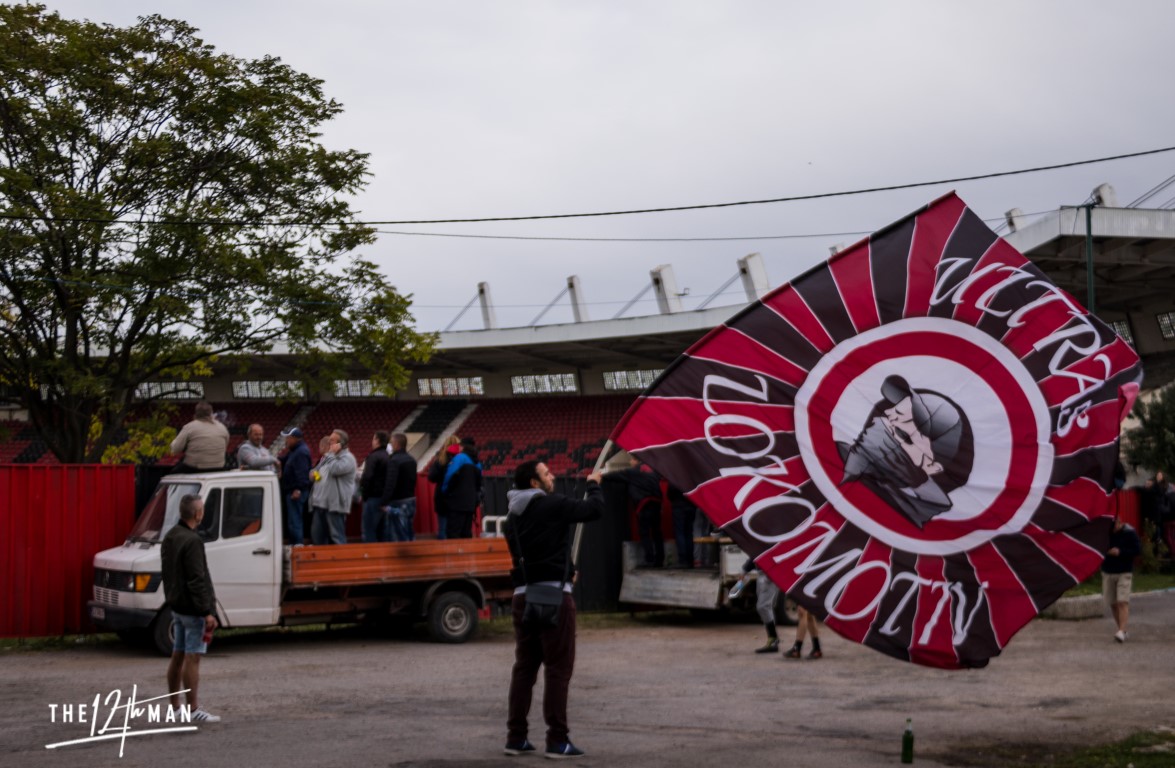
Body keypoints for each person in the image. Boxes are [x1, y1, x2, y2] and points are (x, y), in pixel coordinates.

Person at [503, 461, 604, 759]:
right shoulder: (551, 504)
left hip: (523, 596)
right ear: (534, 483)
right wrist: (593, 485)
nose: (553, 476)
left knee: (524, 669)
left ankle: (516, 737)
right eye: (546, 473)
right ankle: (557, 740)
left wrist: (566, 569)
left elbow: (537, 552)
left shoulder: (511, 517)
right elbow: (594, 510)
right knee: (558, 669)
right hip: (554, 598)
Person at [838, 374, 974, 528]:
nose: (885, 419)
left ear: (931, 466)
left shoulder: (911, 516)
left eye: (902, 433)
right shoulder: (838, 454)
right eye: (891, 413)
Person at [161, 493, 221, 723]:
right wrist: (207, 611)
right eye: (202, 509)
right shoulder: (193, 541)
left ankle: (175, 707)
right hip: (193, 610)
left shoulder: (171, 536)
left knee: (177, 655)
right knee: (192, 657)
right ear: (197, 514)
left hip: (177, 606)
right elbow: (197, 579)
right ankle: (193, 708)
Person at [605, 456, 665, 568]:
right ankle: (660, 559)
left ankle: (650, 559)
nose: (630, 462)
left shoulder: (633, 472)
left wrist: (601, 476)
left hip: (644, 505)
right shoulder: (653, 470)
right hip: (656, 504)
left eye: (631, 459)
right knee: (657, 532)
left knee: (644, 533)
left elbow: (615, 476)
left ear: (637, 460)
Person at [309, 429, 357, 545]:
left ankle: (341, 557)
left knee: (337, 538)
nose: (329, 442)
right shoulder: (329, 458)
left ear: (341, 443)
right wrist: (314, 474)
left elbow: (335, 469)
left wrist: (330, 454)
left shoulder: (348, 458)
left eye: (332, 440)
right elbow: (317, 472)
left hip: (335, 506)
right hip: (320, 504)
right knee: (317, 537)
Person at [1102, 512, 1141, 643]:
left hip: (1124, 571)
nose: (1113, 529)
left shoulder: (1130, 532)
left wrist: (1120, 552)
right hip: (1108, 571)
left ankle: (1121, 631)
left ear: (1120, 521)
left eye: (1115, 525)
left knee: (1122, 601)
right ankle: (1122, 630)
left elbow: (1137, 549)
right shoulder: (1105, 532)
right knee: (1113, 603)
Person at [733, 558, 780, 653]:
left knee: (763, 607)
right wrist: (744, 571)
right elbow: (754, 556)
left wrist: (744, 570)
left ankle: (773, 639)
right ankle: (773, 639)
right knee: (765, 607)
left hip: (769, 574)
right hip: (762, 574)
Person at [169, 401, 229, 473]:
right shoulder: (222, 427)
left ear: (196, 413)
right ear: (211, 413)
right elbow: (226, 445)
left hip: (195, 468)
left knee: (172, 473)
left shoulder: (189, 427)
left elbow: (175, 449)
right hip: (219, 467)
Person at [440, 436, 482, 539]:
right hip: (470, 504)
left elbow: (449, 476)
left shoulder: (459, 458)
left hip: (457, 503)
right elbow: (479, 484)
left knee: (453, 533)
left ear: (462, 447)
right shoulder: (477, 462)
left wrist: (444, 491)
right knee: (466, 533)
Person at [383, 432, 419, 542]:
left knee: (397, 535)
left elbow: (390, 483)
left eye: (391, 443)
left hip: (398, 501)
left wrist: (384, 501)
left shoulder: (394, 461)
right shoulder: (412, 459)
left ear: (396, 444)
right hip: (410, 499)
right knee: (408, 531)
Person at [279, 427, 311, 545]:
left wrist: (298, 489)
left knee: (295, 520)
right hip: (291, 490)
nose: (286, 441)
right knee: (292, 521)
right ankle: (294, 544)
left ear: (294, 438)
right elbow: (283, 459)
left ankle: (297, 545)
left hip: (296, 491)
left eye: (288, 438)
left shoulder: (301, 452)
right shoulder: (294, 450)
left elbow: (302, 473)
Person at [359, 431, 391, 542]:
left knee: (369, 530)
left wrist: (364, 494)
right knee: (382, 531)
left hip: (372, 498)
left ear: (377, 440)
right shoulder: (388, 457)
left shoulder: (373, 457)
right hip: (384, 498)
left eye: (373, 439)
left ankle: (370, 552)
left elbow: (368, 477)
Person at [428, 436, 462, 540]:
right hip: (457, 497)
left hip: (442, 497)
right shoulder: (461, 459)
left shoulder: (440, 459)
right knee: (457, 530)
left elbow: (432, 477)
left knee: (443, 528)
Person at [666, 483, 696, 568]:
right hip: (691, 506)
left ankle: (683, 560)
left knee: (680, 532)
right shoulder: (690, 478)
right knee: (689, 533)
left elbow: (670, 493)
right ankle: (690, 560)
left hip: (678, 506)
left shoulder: (675, 479)